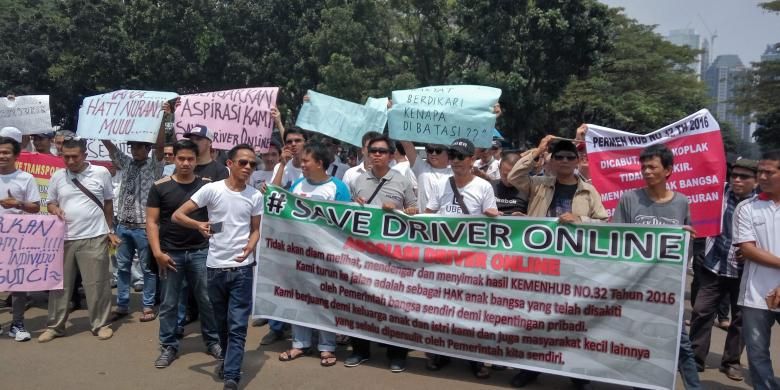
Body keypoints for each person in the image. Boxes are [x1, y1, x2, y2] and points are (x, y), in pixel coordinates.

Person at [173, 144, 263, 390]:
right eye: (243, 162)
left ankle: (232, 375)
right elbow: (178, 215)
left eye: (252, 164)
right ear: (230, 164)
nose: (248, 168)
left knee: (237, 325)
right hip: (214, 269)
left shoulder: (255, 196)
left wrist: (250, 247)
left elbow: (256, 230)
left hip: (242, 270)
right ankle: (226, 359)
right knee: (221, 323)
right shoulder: (211, 190)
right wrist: (198, 225)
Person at [612, 144, 701, 390]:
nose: (647, 172)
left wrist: (682, 237)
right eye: (644, 167)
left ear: (668, 170)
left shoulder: (682, 202)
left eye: (653, 167)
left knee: (680, 343)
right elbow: (617, 240)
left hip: (668, 289)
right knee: (636, 341)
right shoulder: (629, 199)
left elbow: (687, 246)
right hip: (635, 286)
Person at [424, 138, 498, 379]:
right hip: (444, 258)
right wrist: (409, 215)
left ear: (471, 159)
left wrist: (493, 216)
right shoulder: (442, 184)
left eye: (461, 156)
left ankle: (475, 358)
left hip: (472, 260)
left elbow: (494, 223)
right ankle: (442, 352)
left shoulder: (484, 187)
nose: (456, 161)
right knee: (444, 308)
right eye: (452, 156)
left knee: (472, 311)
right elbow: (430, 215)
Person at [147, 140, 221, 368]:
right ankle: (169, 345)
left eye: (190, 159)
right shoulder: (159, 186)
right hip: (171, 254)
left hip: (202, 252)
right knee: (169, 303)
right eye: (181, 159)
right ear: (173, 159)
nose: (186, 163)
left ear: (197, 160)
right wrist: (158, 253)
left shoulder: (208, 186)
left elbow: (218, 216)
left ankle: (213, 341)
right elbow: (151, 222)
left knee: (207, 300)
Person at [346, 135, 416, 372]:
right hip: (364, 255)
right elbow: (346, 213)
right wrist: (355, 204)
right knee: (360, 302)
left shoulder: (402, 181)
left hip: (393, 256)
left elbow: (415, 213)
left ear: (391, 155)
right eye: (373, 150)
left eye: (382, 151)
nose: (376, 154)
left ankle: (397, 354)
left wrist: (399, 210)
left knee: (394, 306)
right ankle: (360, 350)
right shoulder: (357, 180)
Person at [278, 141, 351, 368]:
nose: (302, 165)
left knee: (326, 299)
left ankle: (327, 346)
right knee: (299, 297)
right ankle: (300, 343)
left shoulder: (338, 188)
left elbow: (346, 222)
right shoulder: (298, 184)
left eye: (307, 161)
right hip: (298, 252)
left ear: (320, 163)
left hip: (327, 255)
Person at [39, 137, 117, 342]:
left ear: (84, 155)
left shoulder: (101, 173)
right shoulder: (57, 176)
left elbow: (108, 203)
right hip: (63, 239)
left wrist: (110, 229)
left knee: (97, 283)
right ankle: (55, 326)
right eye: (66, 157)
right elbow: (51, 203)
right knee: (59, 285)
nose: (71, 161)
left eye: (75, 156)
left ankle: (101, 324)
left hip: (94, 236)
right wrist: (55, 209)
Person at [689, 159, 758, 381]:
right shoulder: (717, 193)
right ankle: (694, 359)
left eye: (744, 176)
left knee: (740, 319)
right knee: (701, 311)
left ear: (755, 181)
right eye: (734, 175)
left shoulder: (761, 204)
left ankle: (731, 362)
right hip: (714, 266)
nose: (737, 180)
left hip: (745, 272)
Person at [103, 110, 167, 323]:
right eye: (132, 146)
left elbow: (160, 147)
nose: (135, 149)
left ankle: (148, 305)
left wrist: (162, 119)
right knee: (122, 267)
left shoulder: (155, 166)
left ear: (147, 148)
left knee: (148, 269)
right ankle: (122, 304)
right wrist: (98, 128)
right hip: (123, 226)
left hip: (143, 227)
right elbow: (111, 149)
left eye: (139, 146)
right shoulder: (127, 163)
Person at [732, 149, 780, 390]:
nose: (762, 177)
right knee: (757, 352)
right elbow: (748, 250)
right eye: (760, 171)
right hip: (756, 294)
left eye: (768, 172)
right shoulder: (746, 208)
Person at [508, 135, 607, 222]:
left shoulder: (588, 190)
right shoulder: (539, 185)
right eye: (559, 157)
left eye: (570, 157)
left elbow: (603, 221)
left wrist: (579, 219)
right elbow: (514, 177)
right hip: (540, 241)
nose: (564, 160)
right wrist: (537, 152)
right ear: (551, 161)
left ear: (577, 161)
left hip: (574, 242)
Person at [0, 134, 40, 341]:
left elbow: (36, 207)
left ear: (15, 155)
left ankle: (17, 323)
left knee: (17, 283)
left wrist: (17, 204)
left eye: (6, 152)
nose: (2, 156)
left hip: (16, 239)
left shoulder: (26, 178)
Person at [401, 140, 452, 213]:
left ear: (448, 154)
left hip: (446, 221)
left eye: (438, 151)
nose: (433, 154)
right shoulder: (422, 168)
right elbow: (407, 145)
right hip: (424, 220)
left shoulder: (455, 172)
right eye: (430, 150)